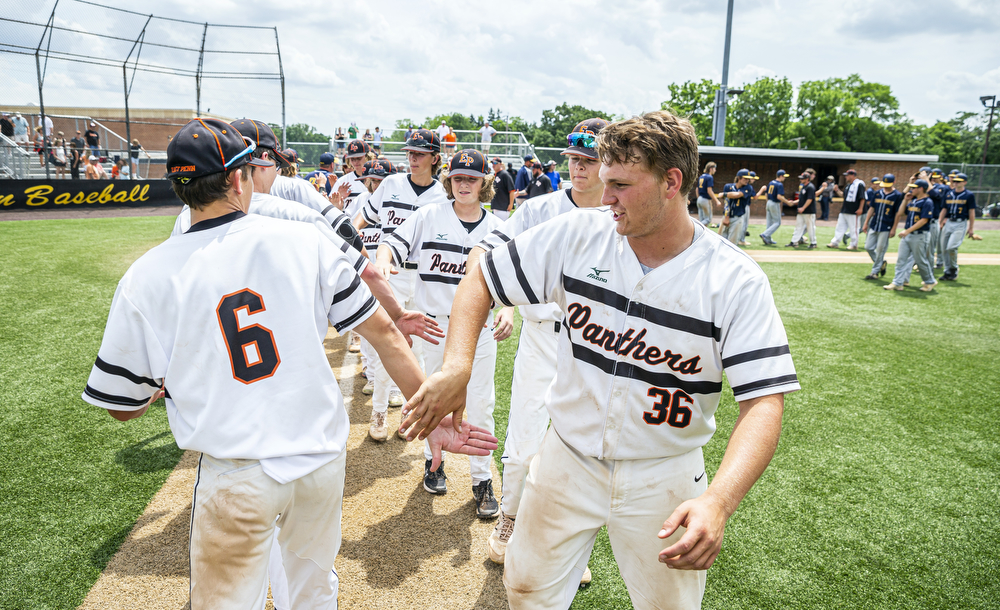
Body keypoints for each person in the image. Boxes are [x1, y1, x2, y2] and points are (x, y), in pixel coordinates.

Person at [84, 117, 492, 609]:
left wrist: (169, 384)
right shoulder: (304, 239)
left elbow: (122, 406)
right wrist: (430, 417)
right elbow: (385, 332)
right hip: (318, 458)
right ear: (238, 178)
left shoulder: (146, 275)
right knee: (313, 593)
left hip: (236, 469)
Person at [401, 110, 798, 609]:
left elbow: (764, 401)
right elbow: (481, 278)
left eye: (621, 185)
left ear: (671, 182)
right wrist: (457, 366)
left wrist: (719, 500)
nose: (605, 197)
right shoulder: (579, 233)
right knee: (525, 591)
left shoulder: (734, 279)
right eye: (604, 180)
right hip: (567, 454)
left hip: (665, 470)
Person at [479, 118, 609, 584]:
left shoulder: (621, 214)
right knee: (525, 439)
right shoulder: (539, 209)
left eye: (589, 159)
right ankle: (509, 517)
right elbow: (487, 255)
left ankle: (568, 542)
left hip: (596, 345)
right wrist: (505, 305)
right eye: (573, 159)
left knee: (586, 448)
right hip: (542, 334)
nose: (578, 168)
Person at [377, 149, 514, 511]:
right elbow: (390, 243)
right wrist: (384, 261)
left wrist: (509, 309)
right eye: (457, 178)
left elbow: (513, 277)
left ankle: (481, 479)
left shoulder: (498, 227)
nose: (464, 184)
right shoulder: (429, 215)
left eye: (472, 179)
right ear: (448, 180)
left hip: (480, 327)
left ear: (485, 183)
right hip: (435, 324)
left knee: (481, 402)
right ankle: (433, 462)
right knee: (434, 396)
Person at [355, 128, 449, 417]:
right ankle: (379, 413)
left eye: (420, 154)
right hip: (390, 275)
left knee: (419, 347)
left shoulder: (443, 194)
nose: (413, 159)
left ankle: (409, 407)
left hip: (424, 277)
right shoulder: (391, 183)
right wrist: (353, 241)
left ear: (435, 158)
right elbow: (363, 217)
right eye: (410, 153)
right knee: (388, 342)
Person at [884, 179, 937, 292]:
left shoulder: (927, 202)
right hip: (908, 235)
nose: (911, 189)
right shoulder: (913, 201)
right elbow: (900, 213)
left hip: (920, 235)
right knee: (901, 259)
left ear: (921, 189)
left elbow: (924, 220)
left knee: (920, 260)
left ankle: (930, 281)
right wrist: (905, 200)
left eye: (914, 187)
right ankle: (897, 283)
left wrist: (907, 231)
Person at [860, 174, 903, 280]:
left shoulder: (897, 195)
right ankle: (881, 263)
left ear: (894, 182)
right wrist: (866, 223)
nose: (886, 187)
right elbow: (872, 208)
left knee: (880, 249)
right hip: (874, 224)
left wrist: (894, 228)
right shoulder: (878, 193)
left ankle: (874, 272)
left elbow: (898, 213)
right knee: (868, 247)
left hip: (886, 226)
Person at [938, 172, 975, 281]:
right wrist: (939, 222)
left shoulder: (969, 195)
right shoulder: (948, 193)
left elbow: (971, 211)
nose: (955, 183)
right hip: (948, 222)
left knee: (951, 247)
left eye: (958, 181)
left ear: (965, 182)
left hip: (960, 223)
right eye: (954, 181)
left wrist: (971, 227)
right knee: (944, 248)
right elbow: (944, 209)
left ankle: (953, 268)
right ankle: (947, 271)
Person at [333, 140, 375, 219]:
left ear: (367, 157)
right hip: (349, 224)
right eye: (352, 159)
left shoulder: (377, 179)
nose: (355, 162)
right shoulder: (342, 181)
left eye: (359, 158)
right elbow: (331, 208)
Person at [827, 170, 865, 250]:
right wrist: (837, 190)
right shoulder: (848, 185)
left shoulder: (859, 184)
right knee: (840, 227)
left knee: (853, 229)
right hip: (845, 210)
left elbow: (862, 197)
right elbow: (844, 196)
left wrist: (860, 208)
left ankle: (854, 244)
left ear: (852, 175)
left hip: (854, 211)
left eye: (847, 175)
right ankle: (835, 242)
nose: (846, 177)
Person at [721, 168, 753, 246]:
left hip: (737, 217)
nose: (747, 180)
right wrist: (726, 217)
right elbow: (726, 203)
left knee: (732, 244)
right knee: (720, 241)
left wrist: (724, 194)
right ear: (739, 178)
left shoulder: (748, 188)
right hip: (726, 216)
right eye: (745, 178)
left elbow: (737, 195)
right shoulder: (728, 186)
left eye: (748, 179)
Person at [758, 169, 790, 245]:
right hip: (775, 203)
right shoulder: (779, 184)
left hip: (769, 202)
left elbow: (766, 193)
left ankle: (768, 239)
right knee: (777, 222)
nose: (784, 178)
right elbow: (779, 196)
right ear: (781, 176)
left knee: (769, 222)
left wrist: (768, 202)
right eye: (784, 176)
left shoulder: (771, 182)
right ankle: (765, 234)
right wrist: (788, 202)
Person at [786, 173, 817, 249]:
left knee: (810, 227)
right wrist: (794, 202)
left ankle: (813, 243)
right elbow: (802, 199)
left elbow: (810, 199)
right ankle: (794, 242)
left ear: (807, 179)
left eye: (802, 178)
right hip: (801, 211)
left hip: (808, 211)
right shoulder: (804, 187)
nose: (800, 180)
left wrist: (803, 207)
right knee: (798, 226)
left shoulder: (810, 187)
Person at [926, 169, 948, 269]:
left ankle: (939, 262)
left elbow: (936, 195)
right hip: (926, 219)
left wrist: (943, 219)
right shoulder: (928, 186)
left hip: (937, 218)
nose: (934, 178)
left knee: (937, 243)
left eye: (936, 176)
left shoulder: (943, 187)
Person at [695, 161, 720, 227]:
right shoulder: (709, 177)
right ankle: (696, 227)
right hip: (705, 199)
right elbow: (709, 191)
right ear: (710, 169)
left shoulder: (701, 177)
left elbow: (697, 189)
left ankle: (699, 231)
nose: (715, 170)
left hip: (699, 199)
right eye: (714, 169)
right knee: (707, 219)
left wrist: (699, 198)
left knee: (702, 219)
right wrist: (717, 201)